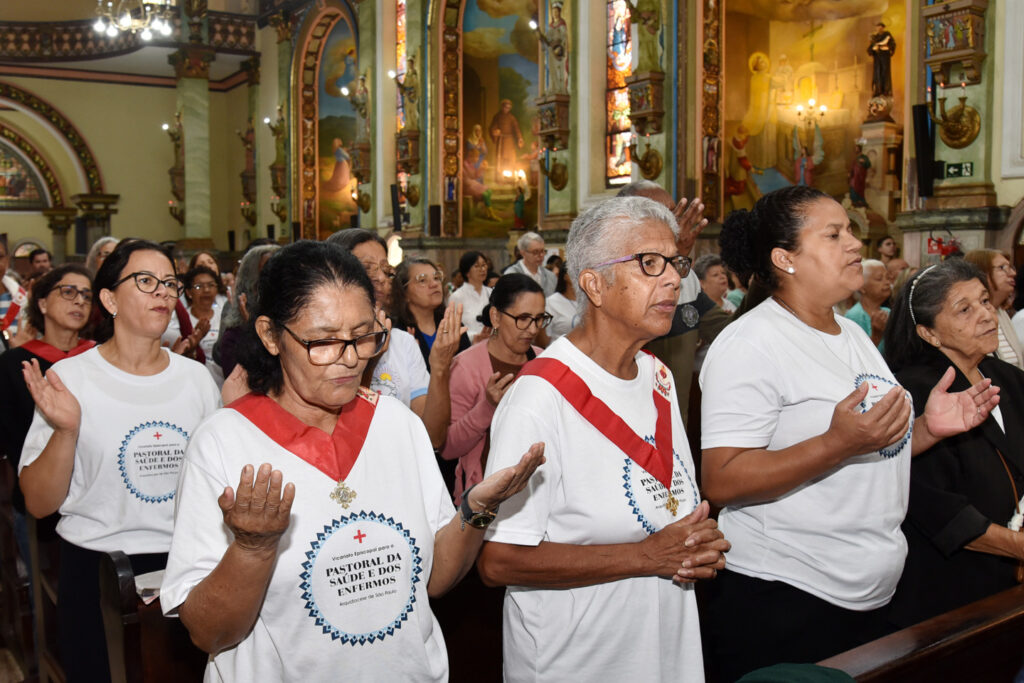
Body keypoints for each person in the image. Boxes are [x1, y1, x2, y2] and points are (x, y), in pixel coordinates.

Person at [159, 241, 543, 681]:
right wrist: (252, 548)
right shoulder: (224, 442)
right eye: (323, 341)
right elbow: (210, 634)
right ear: (269, 335)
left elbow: (434, 580)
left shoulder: (396, 425)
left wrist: (476, 510)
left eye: (363, 336)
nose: (349, 359)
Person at [699, 185, 999, 679]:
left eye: (851, 231)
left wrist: (926, 430)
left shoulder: (851, 332)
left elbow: (871, 445)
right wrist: (835, 444)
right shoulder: (751, 342)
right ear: (785, 258)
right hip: (788, 595)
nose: (855, 243)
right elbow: (723, 478)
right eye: (834, 234)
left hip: (872, 593)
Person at [478, 196, 729, 682]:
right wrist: (646, 556)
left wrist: (695, 538)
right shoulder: (538, 397)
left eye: (675, 263)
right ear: (594, 283)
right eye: (649, 264)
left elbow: (662, 508)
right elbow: (499, 559)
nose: (675, 280)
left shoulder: (657, 376)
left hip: (663, 648)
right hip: (578, 660)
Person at [19, 239, 221, 682]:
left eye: (170, 283)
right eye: (146, 281)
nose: (164, 293)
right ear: (109, 299)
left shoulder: (196, 379)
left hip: (185, 563)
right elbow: (37, 503)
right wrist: (67, 431)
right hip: (97, 568)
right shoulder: (71, 377)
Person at [883, 259, 1024, 628]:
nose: (986, 315)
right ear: (929, 333)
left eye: (984, 301)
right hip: (954, 590)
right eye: (965, 309)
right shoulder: (912, 393)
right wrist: (1018, 546)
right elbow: (939, 512)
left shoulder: (1007, 377)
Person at [326, 229, 459, 453]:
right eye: (367, 268)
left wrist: (440, 368)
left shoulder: (403, 342)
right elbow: (341, 432)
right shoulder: (322, 344)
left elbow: (433, 438)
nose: (380, 278)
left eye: (385, 269)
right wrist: (371, 360)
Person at [0, 265, 95, 575]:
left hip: (97, 498)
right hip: (40, 504)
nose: (79, 301)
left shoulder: (99, 360)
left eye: (86, 295)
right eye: (68, 292)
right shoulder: (15, 364)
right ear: (41, 303)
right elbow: (12, 438)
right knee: (50, 605)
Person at [617, 180, 728, 425]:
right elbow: (631, 335)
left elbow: (728, 331)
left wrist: (766, 279)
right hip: (632, 421)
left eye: (673, 212)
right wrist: (670, 254)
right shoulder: (616, 274)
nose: (675, 222)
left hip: (677, 422)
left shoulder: (686, 280)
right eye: (663, 214)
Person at [443, 274, 548, 504]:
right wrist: (487, 407)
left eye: (539, 319)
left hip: (538, 493)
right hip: (484, 498)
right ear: (496, 317)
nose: (532, 329)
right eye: (523, 318)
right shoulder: (466, 366)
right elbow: (448, 447)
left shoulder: (544, 361)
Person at [389, 257, 471, 369]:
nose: (434, 284)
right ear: (404, 293)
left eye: (437, 278)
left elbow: (468, 370)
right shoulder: (396, 331)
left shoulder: (451, 324)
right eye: (422, 280)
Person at [214, 245, 279, 379]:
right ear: (251, 284)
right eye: (267, 273)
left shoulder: (289, 321)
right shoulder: (233, 337)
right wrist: (254, 331)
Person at [965, 249, 1024, 370]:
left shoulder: (1002, 314)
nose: (1013, 273)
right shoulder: (970, 318)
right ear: (981, 272)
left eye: (1011, 267)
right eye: (1002, 267)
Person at [845, 258, 891, 349]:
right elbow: (856, 354)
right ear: (861, 287)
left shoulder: (888, 312)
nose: (887, 282)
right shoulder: (854, 316)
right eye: (879, 279)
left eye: (888, 277)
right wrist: (876, 335)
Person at [448, 251, 492, 341]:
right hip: (468, 346)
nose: (482, 269)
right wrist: (474, 337)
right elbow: (453, 329)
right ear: (467, 272)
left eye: (484, 265)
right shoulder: (457, 296)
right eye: (477, 266)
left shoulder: (491, 293)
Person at [545, 264, 577, 341]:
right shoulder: (551, 302)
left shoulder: (587, 300)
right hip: (558, 350)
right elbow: (544, 339)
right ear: (565, 276)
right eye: (575, 271)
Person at [868, 22, 896, 98]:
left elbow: (890, 44)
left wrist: (880, 46)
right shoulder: (875, 37)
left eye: (880, 27)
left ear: (883, 28)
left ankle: (885, 90)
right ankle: (878, 90)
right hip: (877, 58)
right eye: (877, 27)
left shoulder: (887, 35)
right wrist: (873, 49)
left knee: (884, 73)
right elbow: (871, 47)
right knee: (877, 74)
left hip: (884, 57)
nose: (879, 28)